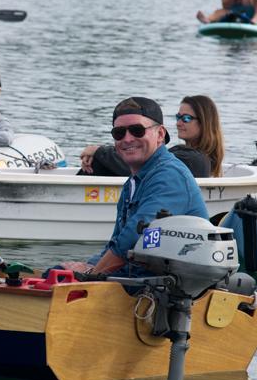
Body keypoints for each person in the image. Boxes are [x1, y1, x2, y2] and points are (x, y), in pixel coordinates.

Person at [65, 97, 208, 276]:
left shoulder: (169, 176)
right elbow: (116, 243)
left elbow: (134, 237)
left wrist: (91, 274)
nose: (127, 139)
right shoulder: (134, 182)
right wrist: (87, 266)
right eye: (119, 133)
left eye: (137, 130)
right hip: (140, 277)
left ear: (161, 134)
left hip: (170, 287)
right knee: (58, 272)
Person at [79, 95, 222, 178]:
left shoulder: (193, 159)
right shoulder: (185, 154)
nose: (178, 123)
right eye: (178, 117)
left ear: (205, 122)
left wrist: (99, 152)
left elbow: (149, 167)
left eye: (186, 118)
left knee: (98, 163)